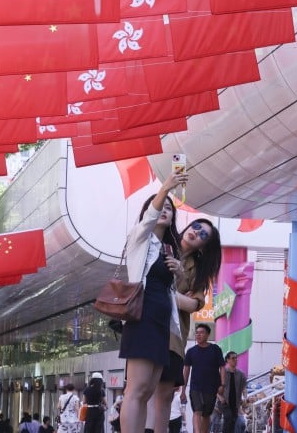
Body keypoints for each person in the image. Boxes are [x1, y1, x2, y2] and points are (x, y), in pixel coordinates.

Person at [118, 170, 189, 433]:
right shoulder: (140, 238)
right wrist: (166, 188)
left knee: (148, 390)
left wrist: (179, 272)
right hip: (142, 316)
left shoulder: (167, 249)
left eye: (170, 208)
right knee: (136, 388)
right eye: (160, 205)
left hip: (162, 324)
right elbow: (149, 216)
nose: (164, 210)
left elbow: (174, 294)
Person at [150, 218, 223, 433]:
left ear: (204, 246)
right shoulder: (161, 244)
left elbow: (193, 304)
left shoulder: (198, 269)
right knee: (140, 391)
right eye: (196, 227)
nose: (196, 233)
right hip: (147, 327)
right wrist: (177, 296)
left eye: (203, 235)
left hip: (172, 336)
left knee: (163, 396)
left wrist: (164, 294)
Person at [182, 324, 225, 433]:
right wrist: (183, 390)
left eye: (201, 332)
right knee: (197, 411)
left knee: (206, 414)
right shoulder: (191, 351)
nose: (198, 335)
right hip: (195, 387)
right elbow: (186, 370)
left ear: (208, 335)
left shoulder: (215, 349)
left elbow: (222, 367)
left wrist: (222, 384)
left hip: (211, 387)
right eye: (197, 332)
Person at [219, 353, 246, 433]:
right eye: (233, 358)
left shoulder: (241, 374)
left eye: (236, 358)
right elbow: (213, 388)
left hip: (235, 403)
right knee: (228, 417)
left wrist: (244, 397)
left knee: (233, 422)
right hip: (224, 402)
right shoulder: (222, 373)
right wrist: (220, 397)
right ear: (227, 360)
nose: (236, 360)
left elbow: (244, 388)